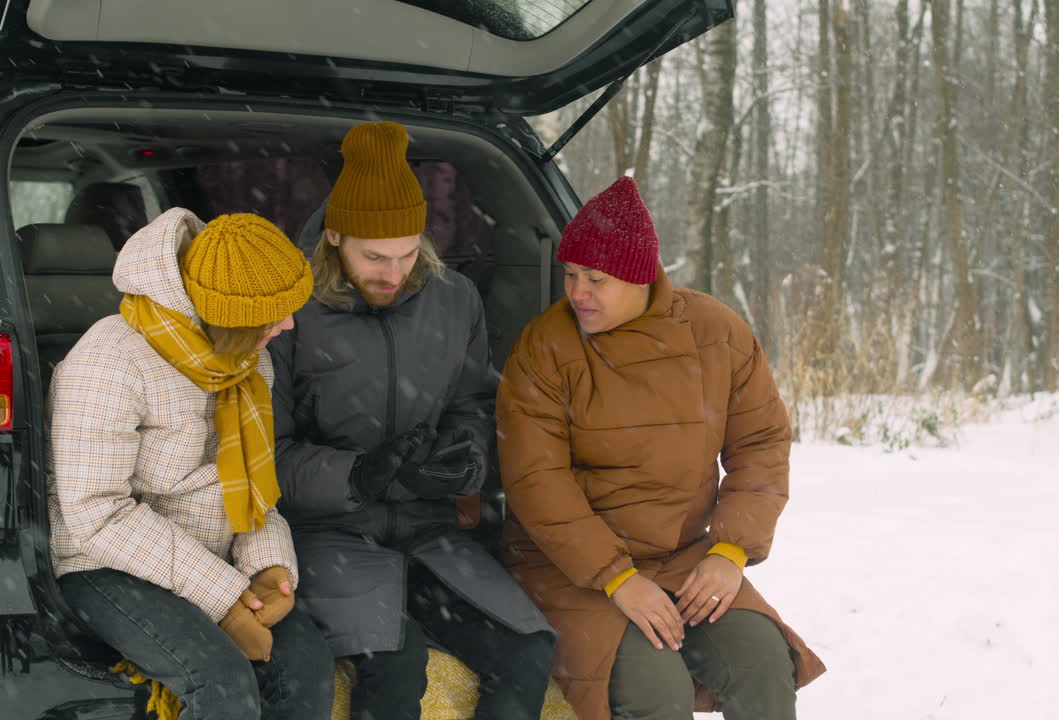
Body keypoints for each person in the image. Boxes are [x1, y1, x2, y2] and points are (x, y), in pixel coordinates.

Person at [496, 176, 827, 720]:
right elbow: (536, 481)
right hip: (570, 568)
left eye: (596, 279)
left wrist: (729, 552)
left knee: (763, 666)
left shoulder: (716, 331)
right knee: (657, 692)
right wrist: (617, 578)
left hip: (684, 558)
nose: (577, 292)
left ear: (641, 276)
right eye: (570, 274)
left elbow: (761, 444)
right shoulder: (544, 347)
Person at [268, 120, 555, 720]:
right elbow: (265, 452)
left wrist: (462, 461)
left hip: (430, 533)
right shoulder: (287, 309)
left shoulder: (454, 298)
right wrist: (358, 475)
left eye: (407, 253)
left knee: (527, 650)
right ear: (335, 235)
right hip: (324, 535)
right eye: (375, 256)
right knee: (396, 668)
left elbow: (473, 405)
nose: (394, 273)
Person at [49, 208, 333, 720]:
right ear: (227, 317)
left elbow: (251, 486)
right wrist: (223, 598)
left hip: (211, 559)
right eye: (274, 315)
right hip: (105, 564)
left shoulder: (250, 361)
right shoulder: (109, 361)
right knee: (221, 681)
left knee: (307, 670)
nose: (289, 325)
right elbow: (96, 514)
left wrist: (268, 568)